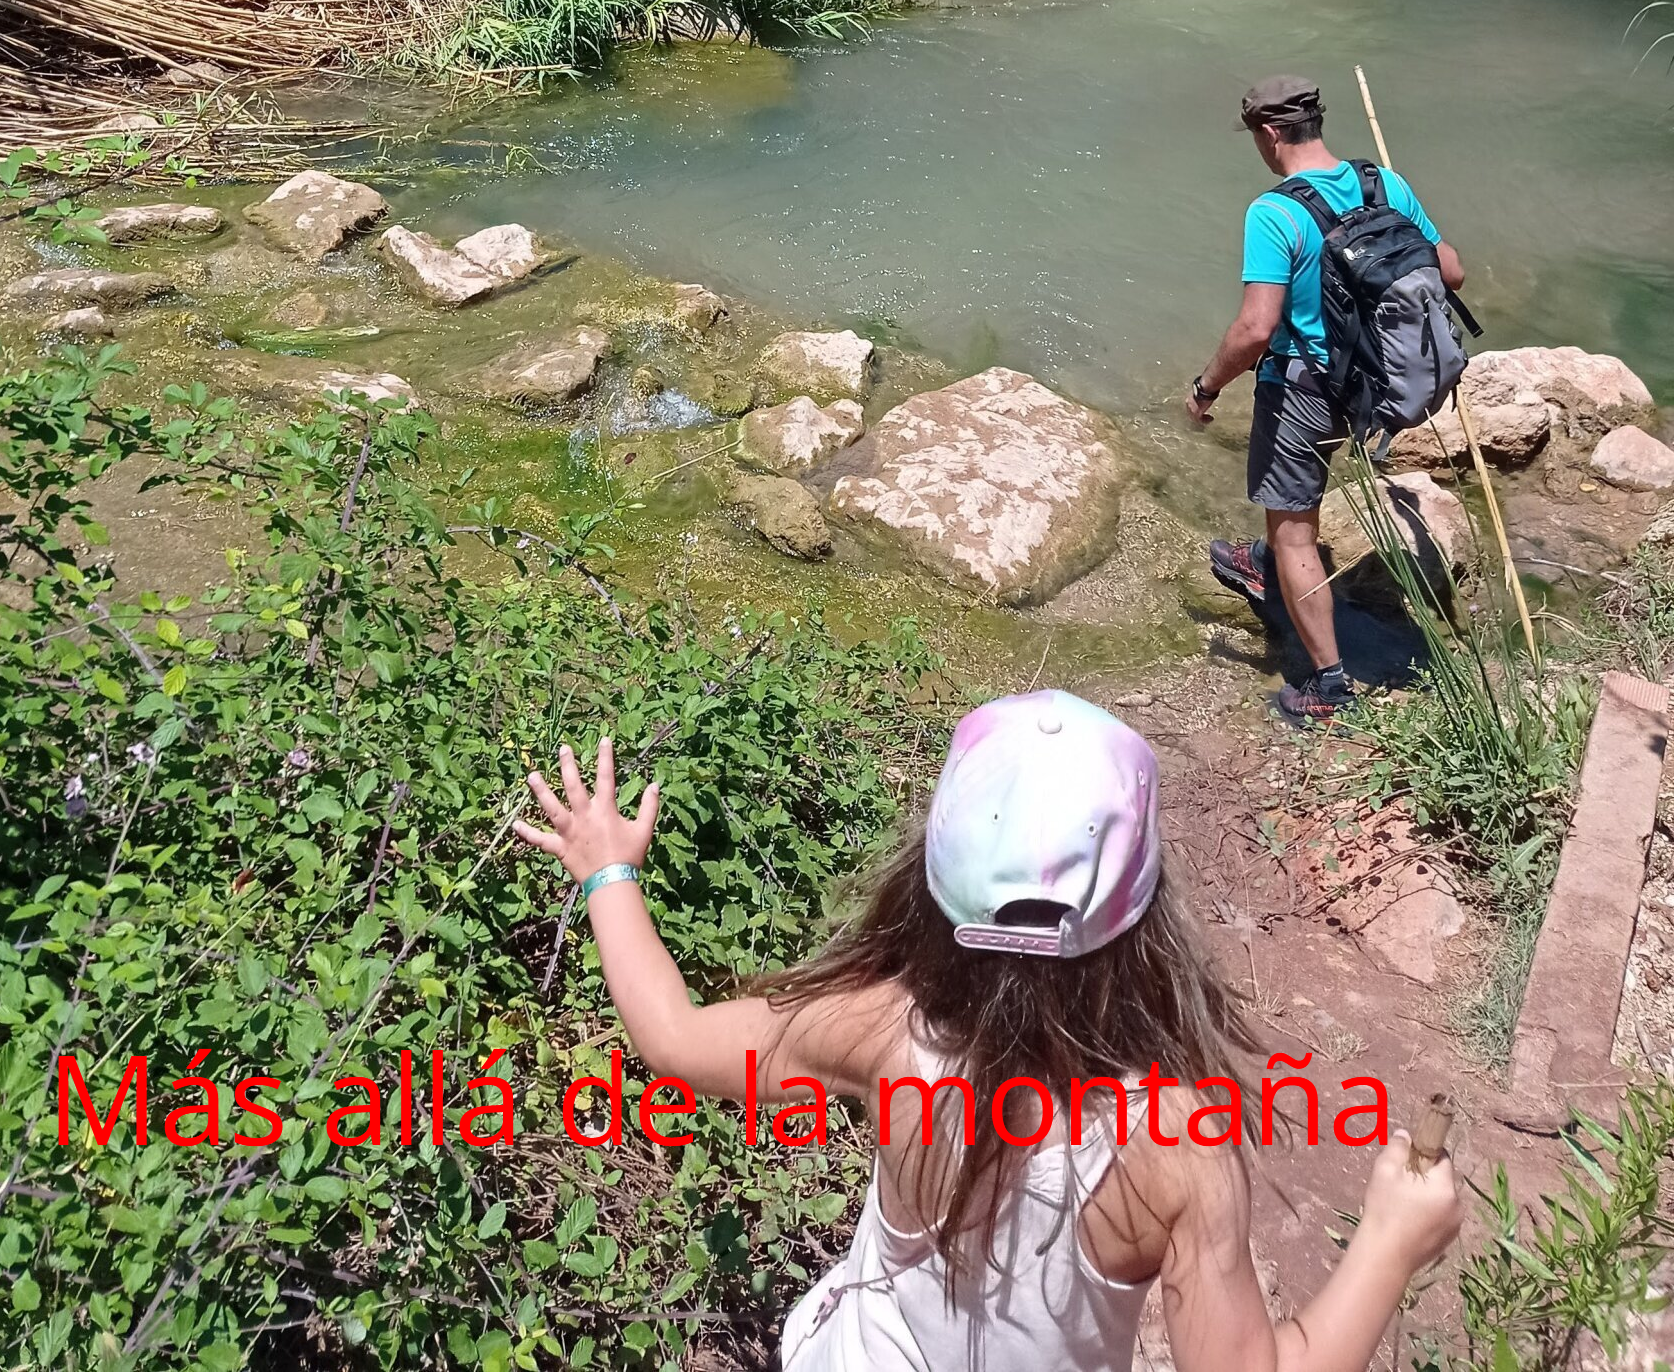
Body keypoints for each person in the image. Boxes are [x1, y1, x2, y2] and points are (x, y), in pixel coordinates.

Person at [515, 691, 1461, 1372]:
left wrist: (608, 872)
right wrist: (1387, 1242)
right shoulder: (1174, 1151)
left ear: (931, 879)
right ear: (1146, 915)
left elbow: (672, 1036)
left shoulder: (883, 1029)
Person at [1187, 76, 1467, 726]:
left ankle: (1327, 685)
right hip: (1371, 382)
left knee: (1295, 526)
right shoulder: (1383, 184)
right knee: (1290, 507)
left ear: (1270, 133)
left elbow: (1255, 329)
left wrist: (1206, 387)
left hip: (1304, 390)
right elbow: (1451, 271)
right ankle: (1263, 562)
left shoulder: (1274, 213)